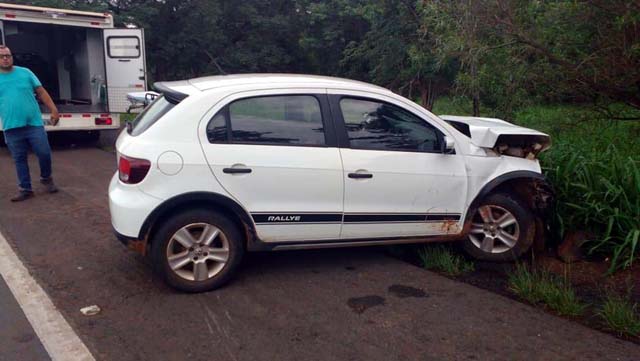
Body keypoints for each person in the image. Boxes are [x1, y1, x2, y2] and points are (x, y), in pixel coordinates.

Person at [0, 45, 60, 202]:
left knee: (44, 153)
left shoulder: (25, 73)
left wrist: (54, 110)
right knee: (19, 159)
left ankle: (46, 178)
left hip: (33, 123)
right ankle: (25, 189)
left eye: (8, 55)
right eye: (2, 56)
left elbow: (41, 92)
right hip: (11, 126)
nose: (5, 58)